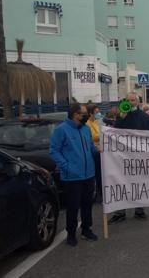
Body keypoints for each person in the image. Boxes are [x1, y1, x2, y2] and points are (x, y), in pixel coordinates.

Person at [50, 103, 99, 246]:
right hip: (72, 176)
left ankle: (86, 229)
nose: (88, 115)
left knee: (87, 204)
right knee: (73, 205)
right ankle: (71, 233)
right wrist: (66, 166)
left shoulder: (85, 129)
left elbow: (90, 148)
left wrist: (99, 151)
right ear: (75, 115)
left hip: (89, 174)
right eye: (84, 113)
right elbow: (54, 150)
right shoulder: (61, 130)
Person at [109, 92, 149, 224]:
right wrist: (121, 118)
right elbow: (114, 134)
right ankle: (120, 212)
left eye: (133, 100)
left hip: (139, 157)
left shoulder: (145, 118)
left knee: (139, 184)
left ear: (138, 102)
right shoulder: (121, 116)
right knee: (121, 183)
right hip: (123, 158)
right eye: (128, 100)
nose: (130, 103)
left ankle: (139, 210)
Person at [86, 104, 103, 202]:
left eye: (99, 112)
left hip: (100, 151)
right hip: (94, 153)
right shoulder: (88, 124)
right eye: (96, 112)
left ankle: (101, 192)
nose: (98, 114)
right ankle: (98, 194)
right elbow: (92, 137)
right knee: (97, 174)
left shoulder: (96, 122)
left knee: (101, 174)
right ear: (90, 113)